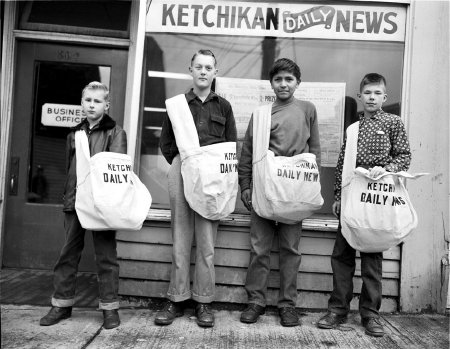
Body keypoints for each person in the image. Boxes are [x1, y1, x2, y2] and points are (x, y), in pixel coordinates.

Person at [317, 73, 411, 337]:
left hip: (376, 197)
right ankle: (337, 309)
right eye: (367, 93)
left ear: (384, 97)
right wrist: (338, 195)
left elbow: (404, 157)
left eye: (376, 93)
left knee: (372, 257)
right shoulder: (353, 128)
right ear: (360, 96)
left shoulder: (393, 123)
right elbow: (342, 163)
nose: (371, 97)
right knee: (342, 255)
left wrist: (385, 170)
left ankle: (370, 314)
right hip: (351, 198)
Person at [156, 49, 237, 328]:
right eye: (198, 67)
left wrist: (209, 170)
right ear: (190, 70)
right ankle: (176, 299)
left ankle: (203, 300)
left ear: (216, 71)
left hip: (213, 176)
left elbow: (230, 146)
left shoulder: (223, 106)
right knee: (180, 238)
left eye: (209, 67)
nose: (203, 72)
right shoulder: (177, 105)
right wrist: (184, 166)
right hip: (182, 170)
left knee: (206, 243)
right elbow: (166, 143)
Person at [238, 58, 321, 327]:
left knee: (290, 249)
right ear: (271, 83)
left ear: (298, 83)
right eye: (278, 79)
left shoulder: (307, 109)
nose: (283, 84)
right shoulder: (262, 113)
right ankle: (256, 301)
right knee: (259, 249)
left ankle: (287, 305)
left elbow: (315, 150)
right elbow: (248, 152)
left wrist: (309, 185)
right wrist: (246, 185)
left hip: (294, 190)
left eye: (289, 79)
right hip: (264, 188)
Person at [40, 81, 127, 330]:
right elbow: (70, 168)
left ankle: (110, 308)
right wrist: (68, 197)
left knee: (106, 258)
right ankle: (61, 305)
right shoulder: (73, 134)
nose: (92, 104)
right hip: (75, 202)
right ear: (81, 103)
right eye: (88, 100)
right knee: (67, 255)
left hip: (102, 206)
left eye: (97, 101)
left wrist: (109, 203)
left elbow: (116, 171)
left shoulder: (115, 132)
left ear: (106, 105)